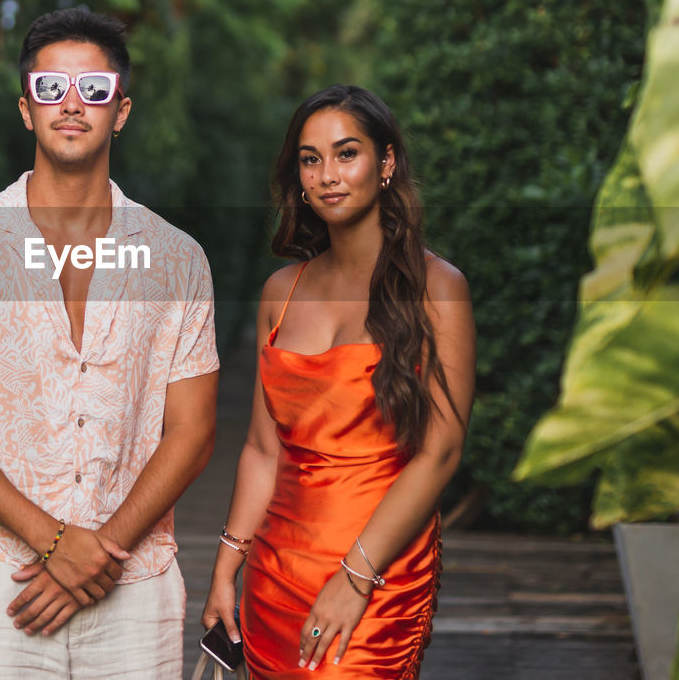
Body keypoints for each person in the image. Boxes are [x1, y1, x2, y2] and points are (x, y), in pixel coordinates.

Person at [0, 7, 220, 678]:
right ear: (26, 108)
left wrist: (100, 549)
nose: (71, 105)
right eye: (51, 89)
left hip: (131, 584)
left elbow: (191, 431)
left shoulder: (175, 259)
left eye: (94, 90)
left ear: (121, 110)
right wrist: (54, 542)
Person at [201, 85, 476, 678]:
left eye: (346, 153)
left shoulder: (438, 288)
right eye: (310, 158)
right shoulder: (282, 291)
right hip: (274, 575)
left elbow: (442, 451)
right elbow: (261, 447)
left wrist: (355, 578)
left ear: (386, 163)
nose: (327, 174)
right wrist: (227, 568)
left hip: (377, 574)